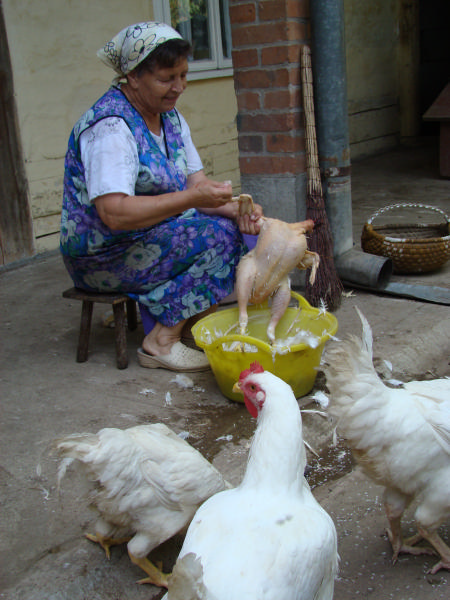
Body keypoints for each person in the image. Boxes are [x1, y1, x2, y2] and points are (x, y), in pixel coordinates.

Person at [60, 21, 263, 372]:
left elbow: (196, 186)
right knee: (218, 237)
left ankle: (186, 324)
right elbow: (114, 214)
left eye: (183, 75)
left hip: (147, 236)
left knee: (238, 229)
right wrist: (193, 200)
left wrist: (240, 209)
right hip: (102, 254)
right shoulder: (110, 127)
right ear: (133, 76)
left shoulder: (170, 119)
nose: (179, 87)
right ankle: (161, 340)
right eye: (167, 78)